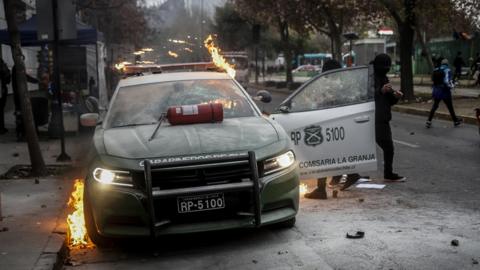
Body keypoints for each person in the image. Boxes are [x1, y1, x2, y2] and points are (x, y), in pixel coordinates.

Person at [304, 59, 362, 199]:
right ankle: (352, 174)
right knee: (336, 153)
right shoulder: (342, 84)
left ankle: (321, 189)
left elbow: (317, 103)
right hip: (339, 123)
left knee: (322, 156)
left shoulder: (326, 84)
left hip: (327, 123)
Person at [373, 54, 406, 182]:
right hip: (375, 118)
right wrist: (380, 91)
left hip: (383, 118)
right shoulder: (371, 78)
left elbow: (388, 100)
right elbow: (368, 95)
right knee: (387, 147)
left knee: (388, 148)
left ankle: (388, 172)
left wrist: (396, 96)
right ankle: (388, 173)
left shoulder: (384, 78)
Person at [426, 59, 462, 128]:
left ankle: (429, 121)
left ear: (441, 63)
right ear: (447, 64)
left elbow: (433, 80)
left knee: (435, 106)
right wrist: (452, 86)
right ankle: (455, 121)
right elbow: (447, 81)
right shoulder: (447, 70)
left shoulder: (436, 69)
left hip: (436, 90)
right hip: (445, 91)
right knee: (450, 107)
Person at [12, 55, 39, 141]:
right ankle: (20, 133)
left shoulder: (16, 68)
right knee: (20, 113)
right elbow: (26, 77)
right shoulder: (18, 68)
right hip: (19, 95)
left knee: (20, 112)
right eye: (22, 61)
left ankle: (21, 132)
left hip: (18, 94)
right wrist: (38, 81)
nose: (23, 63)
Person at [0, 59, 11, 134]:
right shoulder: (3, 66)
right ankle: (1, 128)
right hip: (2, 89)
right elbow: (7, 80)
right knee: (0, 109)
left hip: (2, 89)